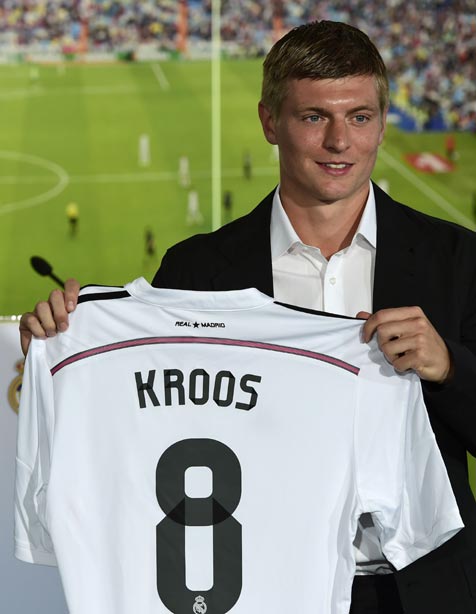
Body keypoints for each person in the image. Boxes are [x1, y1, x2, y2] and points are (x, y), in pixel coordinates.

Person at [19, 20, 476, 614]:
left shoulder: (456, 259)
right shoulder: (197, 268)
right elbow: (144, 424)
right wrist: (61, 349)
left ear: (382, 123)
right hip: (265, 587)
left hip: (420, 593)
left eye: (360, 117)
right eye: (314, 117)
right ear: (269, 122)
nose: (339, 141)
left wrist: (450, 369)